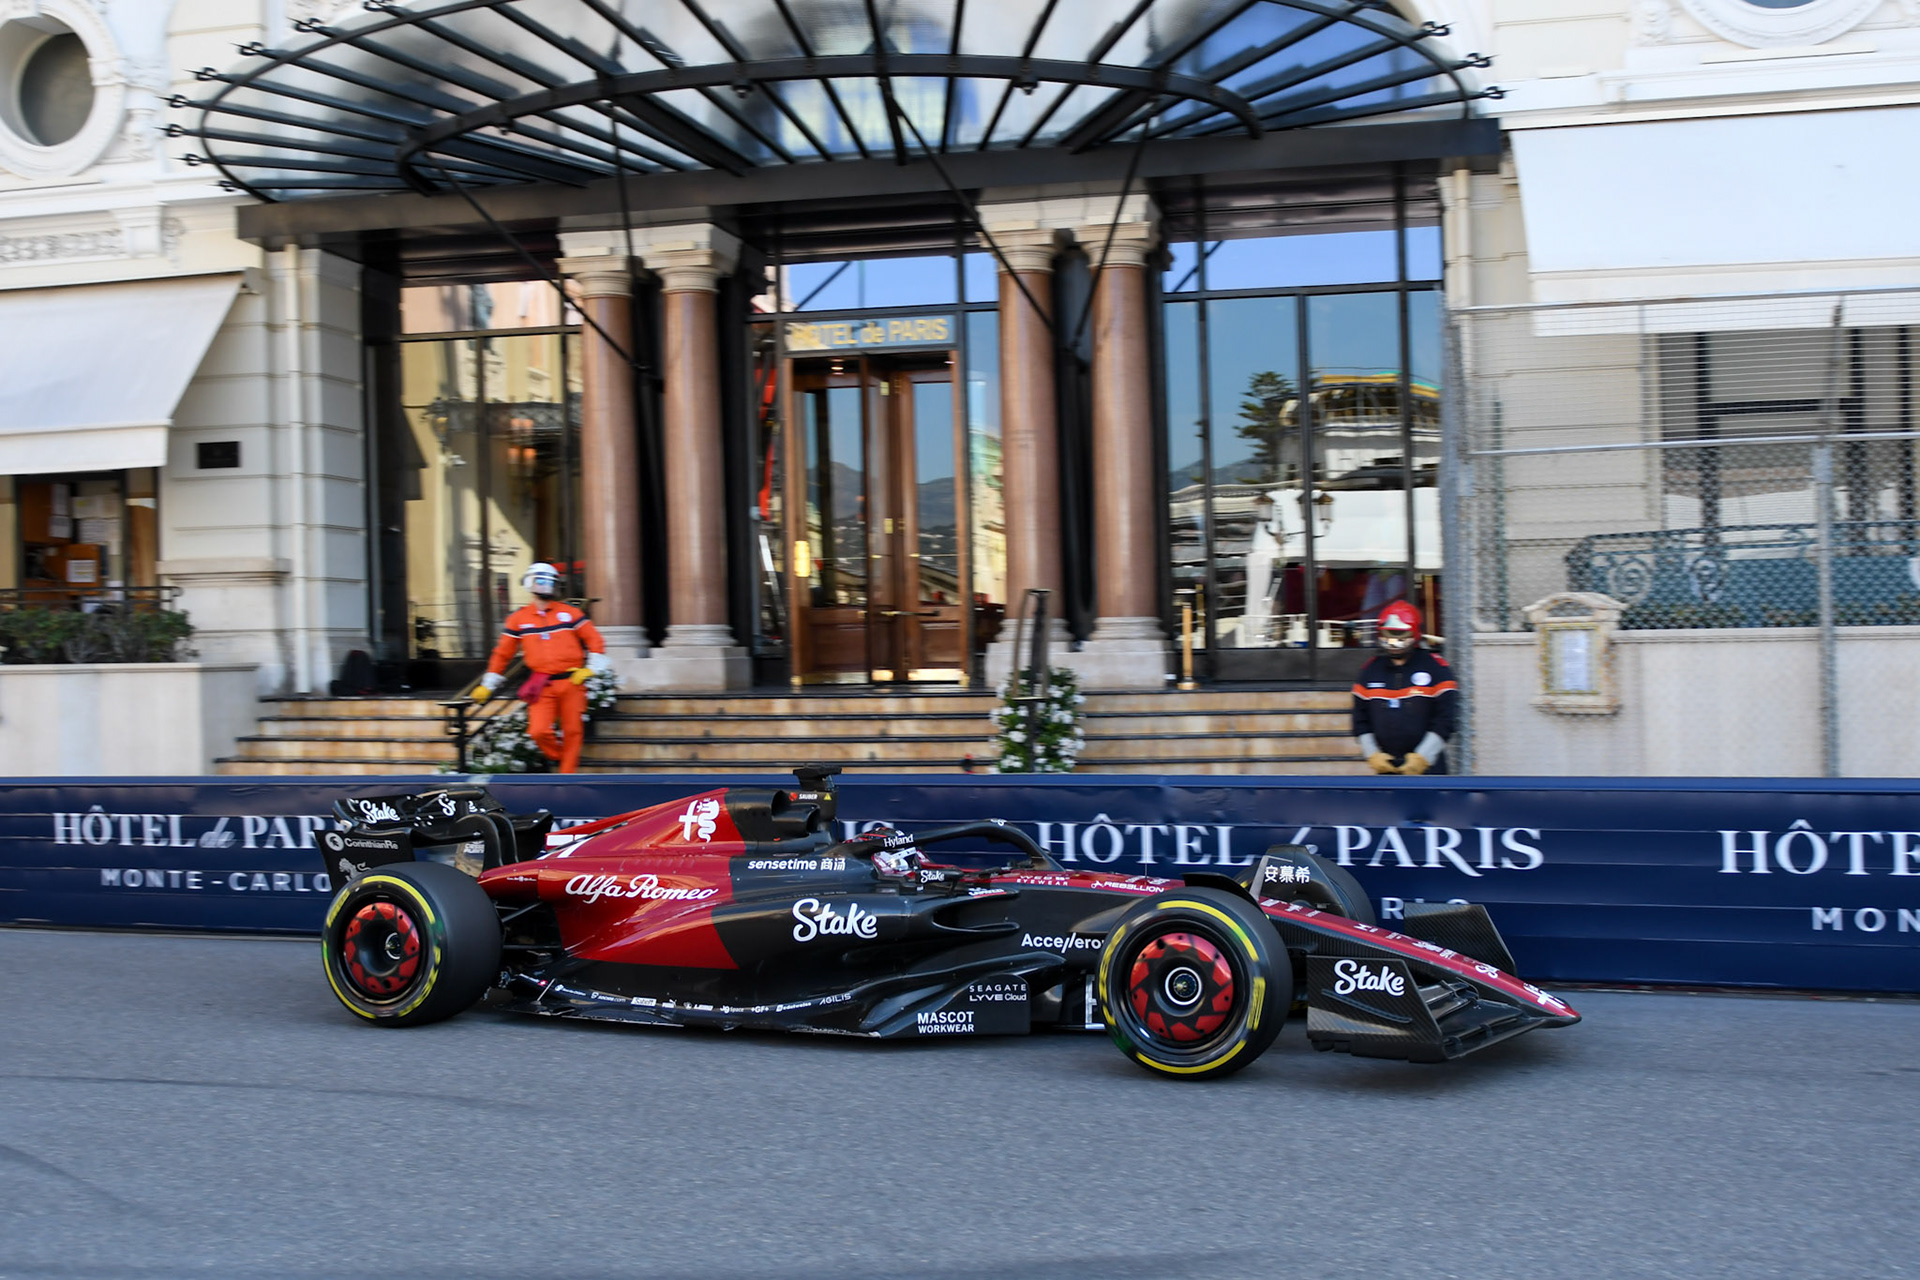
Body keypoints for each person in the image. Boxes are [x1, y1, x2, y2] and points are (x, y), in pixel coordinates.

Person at [472, 562, 611, 774]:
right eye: (541, 581)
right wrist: (488, 685)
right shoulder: (518, 619)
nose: (546, 587)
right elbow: (503, 654)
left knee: (573, 731)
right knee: (538, 731)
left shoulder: (570, 613)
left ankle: (567, 777)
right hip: (542, 684)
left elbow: (595, 640)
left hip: (572, 681)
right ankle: (562, 758)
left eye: (550, 582)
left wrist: (591, 669)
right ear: (530, 583)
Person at [1352, 600, 1458, 776]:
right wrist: (1372, 754)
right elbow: (1360, 720)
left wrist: (1423, 757)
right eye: (1388, 634)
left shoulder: (1437, 669)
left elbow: (1447, 718)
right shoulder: (1370, 671)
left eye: (1401, 635)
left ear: (1415, 633)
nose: (1394, 642)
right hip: (1386, 768)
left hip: (1429, 769)